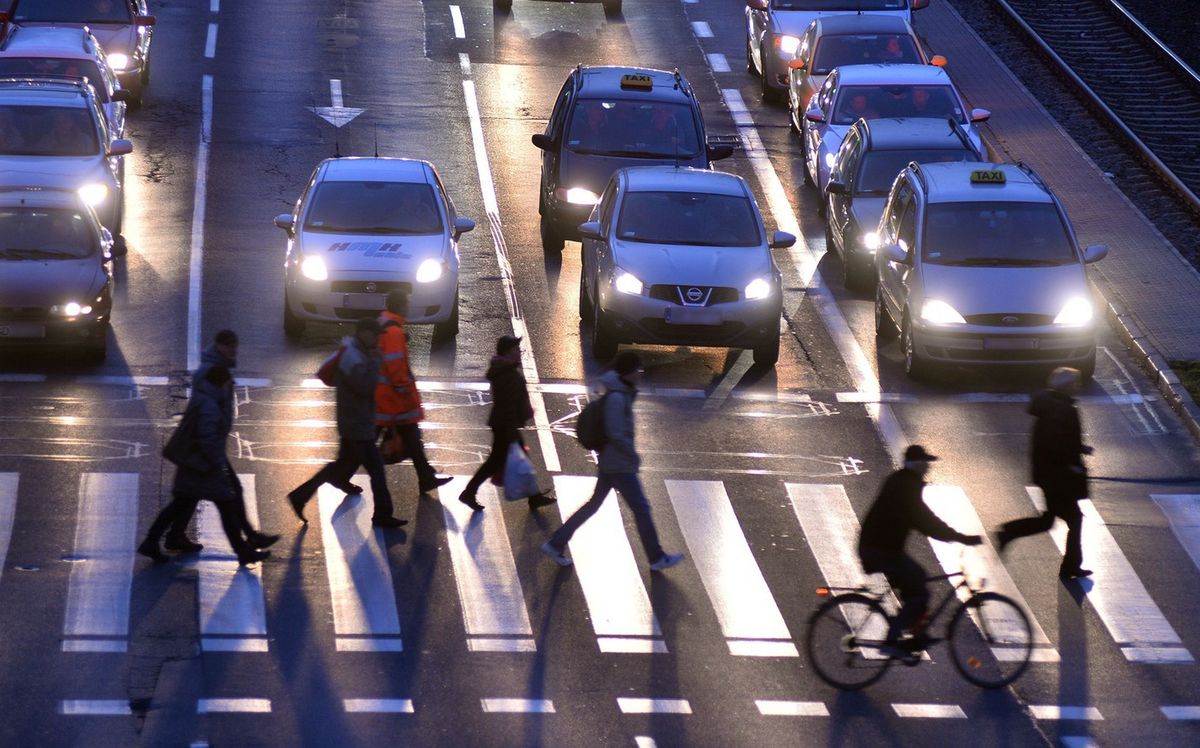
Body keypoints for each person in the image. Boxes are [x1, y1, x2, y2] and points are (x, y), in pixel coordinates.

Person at [541, 352, 684, 571]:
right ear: (629, 372)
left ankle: (556, 542)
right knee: (641, 508)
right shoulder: (617, 398)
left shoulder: (620, 393)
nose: (640, 374)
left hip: (612, 463)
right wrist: (632, 454)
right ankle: (656, 557)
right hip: (619, 465)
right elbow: (616, 433)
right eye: (638, 370)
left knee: (594, 505)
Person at [156, 330, 278, 555]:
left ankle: (169, 537)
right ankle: (245, 546)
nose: (234, 351)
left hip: (206, 448)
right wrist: (214, 457)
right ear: (219, 346)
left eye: (235, 346)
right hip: (205, 450)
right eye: (230, 346)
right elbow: (207, 415)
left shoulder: (217, 367)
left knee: (186, 498)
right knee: (226, 497)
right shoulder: (213, 372)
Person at [138, 366, 272, 566]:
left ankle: (151, 541)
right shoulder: (210, 405)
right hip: (204, 468)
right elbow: (208, 438)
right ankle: (243, 552)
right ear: (222, 383)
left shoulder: (205, 397)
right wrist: (216, 464)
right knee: (225, 508)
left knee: (179, 505)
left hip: (195, 466)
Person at [857, 445, 982, 650]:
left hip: (879, 547)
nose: (927, 468)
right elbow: (926, 521)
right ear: (917, 464)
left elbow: (922, 521)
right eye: (925, 463)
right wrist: (960, 537)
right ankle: (893, 640)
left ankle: (914, 635)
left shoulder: (902, 481)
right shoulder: (907, 487)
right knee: (919, 588)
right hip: (880, 550)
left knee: (916, 581)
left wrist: (954, 536)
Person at [288, 317, 408, 528]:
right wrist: (376, 361)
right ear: (363, 333)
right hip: (356, 425)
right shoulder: (353, 358)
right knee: (376, 470)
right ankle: (382, 514)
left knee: (340, 465)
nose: (377, 342)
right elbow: (366, 387)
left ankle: (300, 495)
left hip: (355, 422)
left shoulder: (356, 352)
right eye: (375, 336)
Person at [996, 367, 1093, 580]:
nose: (1077, 386)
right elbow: (1056, 443)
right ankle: (1069, 567)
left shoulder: (1049, 406)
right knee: (1072, 519)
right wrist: (1071, 463)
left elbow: (1056, 439)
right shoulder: (1064, 410)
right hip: (1057, 476)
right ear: (1067, 386)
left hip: (1047, 473)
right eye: (1074, 383)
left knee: (1050, 520)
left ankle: (1009, 533)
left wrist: (1079, 448)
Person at [458, 335, 556, 511]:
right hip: (506, 426)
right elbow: (507, 406)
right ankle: (533, 498)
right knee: (504, 462)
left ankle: (533, 497)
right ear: (509, 352)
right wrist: (512, 433)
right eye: (517, 349)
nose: (519, 352)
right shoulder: (508, 375)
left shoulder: (504, 370)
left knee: (498, 462)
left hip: (503, 424)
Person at [376, 289, 452, 495]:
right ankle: (340, 474)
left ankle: (426, 477)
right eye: (406, 304)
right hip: (392, 401)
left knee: (413, 440)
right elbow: (395, 366)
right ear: (400, 306)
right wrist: (405, 390)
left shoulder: (387, 325)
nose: (408, 308)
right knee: (362, 448)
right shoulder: (393, 331)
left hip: (389, 399)